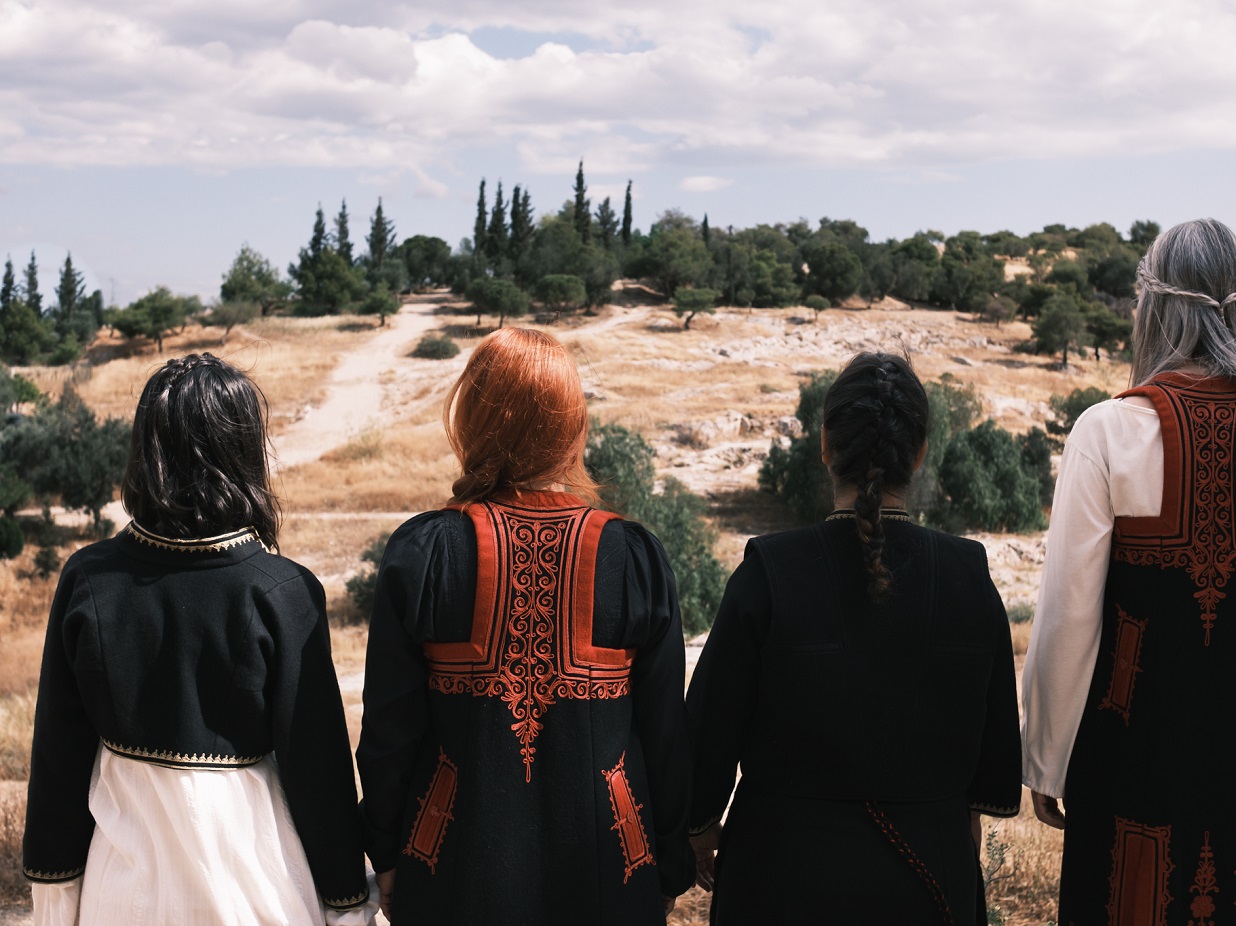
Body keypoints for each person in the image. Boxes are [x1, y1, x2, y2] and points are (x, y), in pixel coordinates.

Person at [1021, 218, 1236, 925]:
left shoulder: (1104, 433)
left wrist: (1046, 759)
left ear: (1151, 306)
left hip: (1129, 765)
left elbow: (1067, 618)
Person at [356, 327, 694, 924]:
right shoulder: (633, 559)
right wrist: (668, 863)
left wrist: (386, 853)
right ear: (574, 425)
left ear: (474, 419)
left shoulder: (427, 553)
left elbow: (389, 732)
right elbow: (665, 732)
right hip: (613, 878)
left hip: (450, 878)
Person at [22, 354, 374, 926]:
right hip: (255, 885)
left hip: (120, 891)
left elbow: (57, 764)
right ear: (243, 452)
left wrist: (55, 902)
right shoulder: (282, 589)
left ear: (146, 451)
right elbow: (318, 772)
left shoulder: (88, 579)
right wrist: (346, 903)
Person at [685, 352, 1022, 925]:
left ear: (825, 445)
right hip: (928, 875)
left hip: (781, 876)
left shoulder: (768, 571)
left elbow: (709, 727)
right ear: (919, 452)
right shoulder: (969, 575)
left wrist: (697, 828)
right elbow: (991, 755)